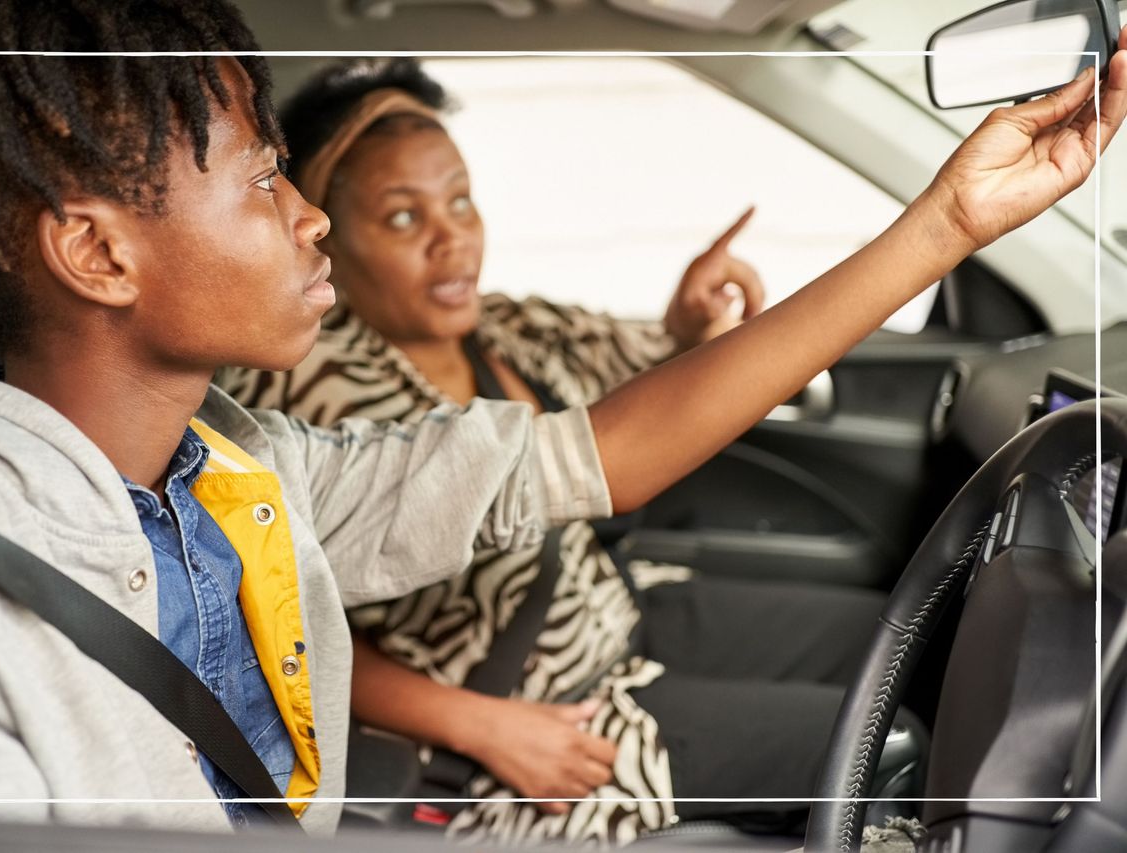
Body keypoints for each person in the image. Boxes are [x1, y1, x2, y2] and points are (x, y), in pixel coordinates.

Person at [0, 0, 1123, 841]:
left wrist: (951, 224)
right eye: (258, 177)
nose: (304, 218)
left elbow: (605, 450)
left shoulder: (247, 479)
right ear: (96, 252)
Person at [213, 58, 898, 845]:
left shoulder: (503, 325)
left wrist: (685, 324)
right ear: (327, 227)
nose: (451, 239)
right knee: (888, 739)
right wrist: (485, 726)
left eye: (460, 203)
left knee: (893, 632)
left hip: (614, 616)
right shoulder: (303, 390)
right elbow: (279, 629)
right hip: (541, 711)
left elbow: (641, 366)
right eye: (403, 218)